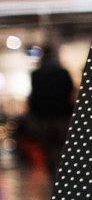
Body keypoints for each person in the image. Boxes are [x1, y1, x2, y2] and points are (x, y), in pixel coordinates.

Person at [23, 45, 76, 180]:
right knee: (60, 144)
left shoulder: (36, 74)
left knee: (48, 145)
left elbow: (34, 96)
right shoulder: (62, 73)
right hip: (60, 114)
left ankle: (54, 171)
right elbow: (70, 91)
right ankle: (61, 170)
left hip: (44, 116)